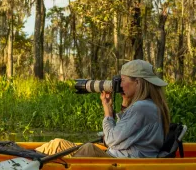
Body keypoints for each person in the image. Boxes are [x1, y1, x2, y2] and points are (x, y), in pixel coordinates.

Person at [35, 60, 170, 158]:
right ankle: (24, 159)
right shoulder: (148, 106)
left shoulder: (142, 107)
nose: (120, 85)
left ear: (138, 82)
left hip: (123, 167)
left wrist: (107, 113)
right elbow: (122, 137)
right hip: (117, 159)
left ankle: (24, 164)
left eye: (123, 80)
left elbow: (111, 139)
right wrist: (120, 104)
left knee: (88, 149)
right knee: (58, 143)